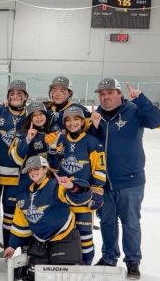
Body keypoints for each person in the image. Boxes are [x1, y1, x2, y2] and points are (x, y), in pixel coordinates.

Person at [90, 78, 160, 279]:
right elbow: (90, 146)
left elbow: (158, 121)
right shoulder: (96, 116)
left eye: (110, 93)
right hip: (103, 182)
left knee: (130, 223)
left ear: (119, 94)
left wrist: (141, 99)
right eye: (102, 94)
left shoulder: (133, 111)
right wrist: (93, 126)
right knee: (106, 222)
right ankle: (109, 256)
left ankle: (132, 260)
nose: (105, 97)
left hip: (130, 181)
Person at [3, 156, 92, 281]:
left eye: (36, 168)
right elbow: (20, 225)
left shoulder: (56, 186)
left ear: (45, 169)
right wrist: (12, 246)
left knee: (61, 276)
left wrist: (70, 186)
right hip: (40, 242)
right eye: (30, 170)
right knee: (34, 275)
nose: (33, 172)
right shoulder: (23, 197)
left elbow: (82, 196)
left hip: (64, 239)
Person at [48, 106, 106, 265]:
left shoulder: (92, 141)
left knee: (85, 234)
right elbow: (53, 168)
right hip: (63, 196)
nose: (72, 123)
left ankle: (86, 264)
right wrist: (52, 150)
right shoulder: (60, 139)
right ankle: (66, 262)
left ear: (82, 121)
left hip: (83, 196)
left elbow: (99, 169)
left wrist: (97, 191)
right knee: (63, 232)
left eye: (76, 119)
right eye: (68, 120)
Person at [0, 80, 29, 247]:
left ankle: (5, 245)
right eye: (12, 94)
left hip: (17, 175)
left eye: (20, 94)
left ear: (26, 96)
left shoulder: (30, 115)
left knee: (10, 213)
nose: (15, 97)